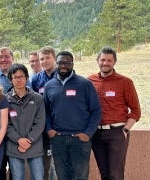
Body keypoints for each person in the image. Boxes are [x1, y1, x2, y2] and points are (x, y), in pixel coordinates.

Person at [44, 51, 102, 180]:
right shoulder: (49, 86)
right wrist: (49, 130)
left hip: (79, 140)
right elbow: (46, 112)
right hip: (58, 139)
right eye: (60, 63)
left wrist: (88, 133)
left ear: (72, 64)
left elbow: (96, 110)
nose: (63, 65)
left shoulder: (84, 84)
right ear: (56, 64)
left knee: (80, 176)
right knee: (62, 176)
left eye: (66, 63)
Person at [88, 47, 141, 180]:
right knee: (104, 173)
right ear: (97, 61)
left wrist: (126, 129)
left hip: (117, 133)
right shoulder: (89, 81)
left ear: (114, 62)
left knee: (115, 174)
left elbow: (135, 110)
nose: (105, 63)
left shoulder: (125, 82)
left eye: (109, 60)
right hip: (97, 133)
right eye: (103, 60)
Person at [5, 63, 45, 180]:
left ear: (27, 78)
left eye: (22, 76)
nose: (19, 80)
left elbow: (40, 122)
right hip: (14, 146)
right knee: (17, 177)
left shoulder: (37, 98)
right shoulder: (5, 100)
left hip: (34, 145)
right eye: (15, 77)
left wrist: (28, 141)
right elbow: (5, 124)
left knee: (38, 177)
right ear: (10, 80)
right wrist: (18, 140)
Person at [29, 46, 57, 180]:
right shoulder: (36, 79)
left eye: (47, 58)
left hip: (60, 126)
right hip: (43, 127)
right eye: (42, 59)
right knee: (44, 165)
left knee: (58, 166)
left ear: (54, 58)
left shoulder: (61, 76)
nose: (44, 61)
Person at [0, 47, 14, 180]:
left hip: (16, 127)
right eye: (0, 57)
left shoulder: (20, 75)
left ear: (12, 58)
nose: (3, 59)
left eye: (6, 56)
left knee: (15, 166)